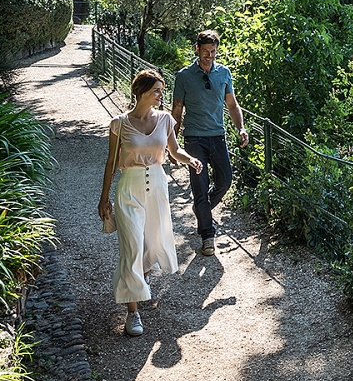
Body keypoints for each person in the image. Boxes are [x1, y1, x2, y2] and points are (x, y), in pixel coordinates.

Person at [98, 69, 201, 337]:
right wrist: (103, 197)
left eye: (161, 90)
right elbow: (111, 162)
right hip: (128, 187)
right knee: (131, 247)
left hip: (156, 185)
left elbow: (174, 150)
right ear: (142, 92)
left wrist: (190, 159)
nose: (160, 95)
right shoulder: (119, 124)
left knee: (150, 245)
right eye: (156, 90)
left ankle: (139, 281)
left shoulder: (166, 119)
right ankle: (132, 312)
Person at [172, 29, 247, 256]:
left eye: (213, 51)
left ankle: (201, 208)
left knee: (225, 181)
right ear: (197, 49)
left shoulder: (224, 74)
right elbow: (176, 111)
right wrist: (171, 143)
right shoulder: (184, 76)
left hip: (218, 136)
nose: (209, 56)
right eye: (205, 51)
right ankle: (207, 235)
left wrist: (241, 127)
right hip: (194, 138)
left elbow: (232, 106)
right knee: (200, 186)